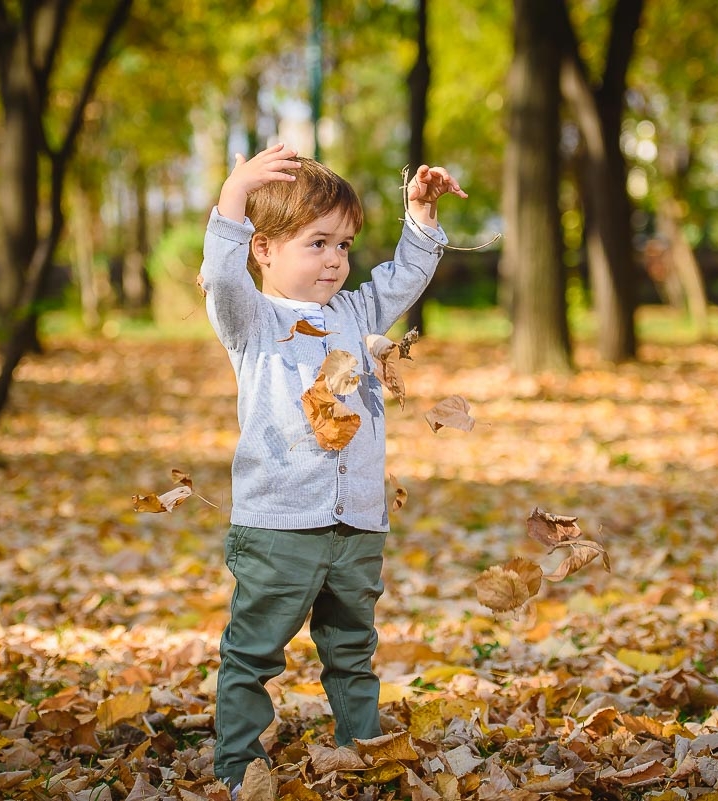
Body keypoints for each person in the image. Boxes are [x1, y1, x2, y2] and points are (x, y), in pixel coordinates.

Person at [198, 143, 467, 794]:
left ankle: (363, 750)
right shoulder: (251, 320)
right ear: (263, 250)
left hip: (357, 525)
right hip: (279, 529)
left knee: (351, 651)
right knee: (253, 652)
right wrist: (234, 195)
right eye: (317, 243)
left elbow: (400, 279)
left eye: (344, 245)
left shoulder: (353, 313)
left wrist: (421, 216)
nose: (336, 260)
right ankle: (239, 770)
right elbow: (222, 272)